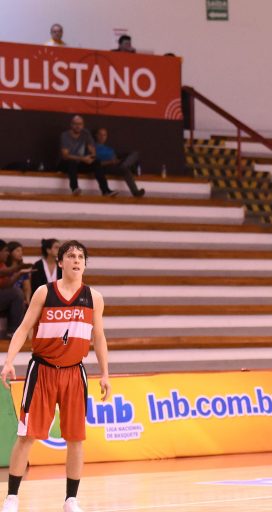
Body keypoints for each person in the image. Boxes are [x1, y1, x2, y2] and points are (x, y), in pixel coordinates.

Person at [1, 240, 111, 512]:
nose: (76, 260)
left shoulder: (94, 298)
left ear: (85, 264)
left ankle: (71, 499)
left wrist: (105, 373)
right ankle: (12, 497)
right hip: (43, 371)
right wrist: (9, 361)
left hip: (75, 373)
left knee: (75, 438)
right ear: (60, 263)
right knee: (26, 436)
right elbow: (23, 329)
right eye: (71, 256)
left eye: (81, 256)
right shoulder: (44, 292)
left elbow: (99, 337)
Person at [58, 116, 117, 197]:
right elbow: (65, 155)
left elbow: (92, 150)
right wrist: (82, 158)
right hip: (66, 164)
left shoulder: (85, 134)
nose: (78, 126)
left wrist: (91, 157)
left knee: (96, 162)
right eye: (75, 124)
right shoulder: (65, 135)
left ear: (83, 125)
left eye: (80, 124)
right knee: (72, 162)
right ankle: (74, 188)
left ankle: (106, 190)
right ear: (71, 125)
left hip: (80, 163)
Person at [94, 128, 145, 197]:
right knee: (125, 169)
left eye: (104, 135)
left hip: (116, 164)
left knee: (135, 154)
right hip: (105, 167)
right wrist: (111, 162)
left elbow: (115, 158)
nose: (102, 137)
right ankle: (136, 192)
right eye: (100, 135)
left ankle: (125, 166)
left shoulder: (109, 149)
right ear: (96, 135)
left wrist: (116, 161)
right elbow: (95, 163)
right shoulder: (93, 147)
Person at [0, 241, 31, 339]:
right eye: (5, 251)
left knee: (16, 293)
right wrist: (19, 268)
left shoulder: (2, 264)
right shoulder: (5, 267)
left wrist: (19, 273)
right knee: (16, 293)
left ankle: (13, 332)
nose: (7, 253)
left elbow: (6, 284)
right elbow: (3, 272)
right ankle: (13, 331)